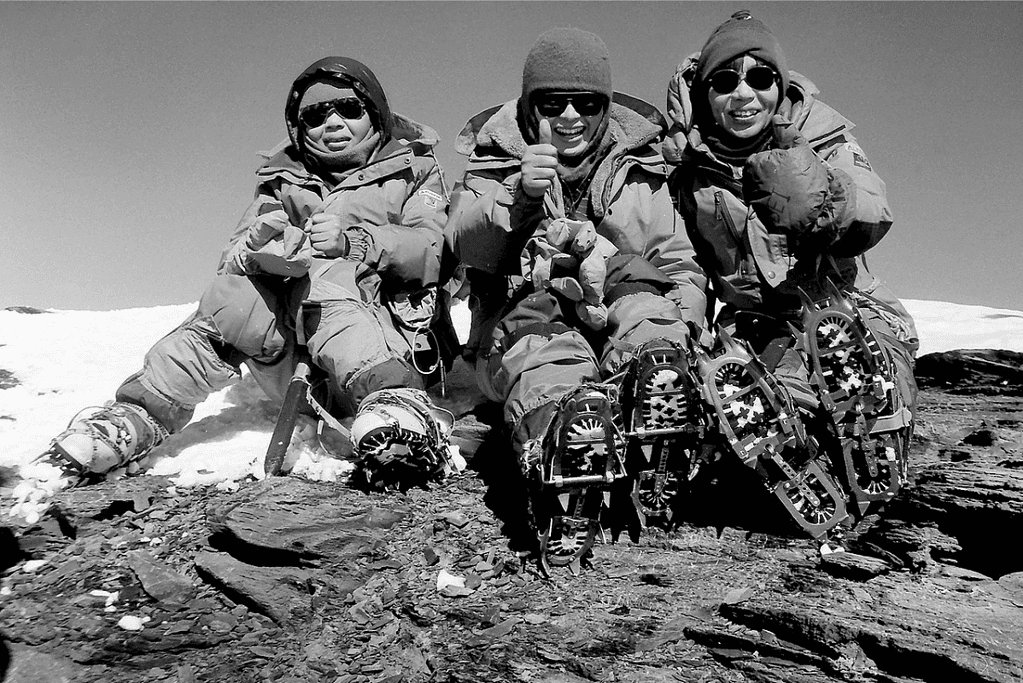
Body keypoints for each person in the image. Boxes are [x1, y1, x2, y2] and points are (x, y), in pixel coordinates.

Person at [35, 56, 456, 496]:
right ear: (298, 127)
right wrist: (257, 247)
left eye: (348, 108)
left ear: (375, 111)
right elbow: (232, 260)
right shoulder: (280, 180)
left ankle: (398, 407)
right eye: (314, 114)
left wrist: (357, 242)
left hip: (389, 346)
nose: (331, 122)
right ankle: (137, 417)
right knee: (233, 297)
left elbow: (435, 253)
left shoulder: (416, 168)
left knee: (327, 276)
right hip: (300, 361)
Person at [445, 27, 708, 573]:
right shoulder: (494, 159)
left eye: (586, 103)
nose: (570, 115)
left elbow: (676, 261)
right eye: (552, 101)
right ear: (527, 104)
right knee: (544, 343)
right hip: (524, 318)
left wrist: (687, 327)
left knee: (637, 281)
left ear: (606, 106)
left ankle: (660, 378)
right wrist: (519, 197)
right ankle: (562, 448)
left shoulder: (643, 164)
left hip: (614, 309)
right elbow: (464, 244)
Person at [664, 11, 919, 546]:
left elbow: (875, 210)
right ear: (705, 92)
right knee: (740, 395)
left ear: (780, 87)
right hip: (758, 325)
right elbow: (683, 263)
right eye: (725, 81)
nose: (743, 95)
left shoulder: (822, 136)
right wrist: (682, 330)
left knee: (858, 357)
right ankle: (807, 469)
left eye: (760, 78)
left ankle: (873, 435)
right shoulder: (685, 168)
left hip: (843, 305)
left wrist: (820, 194)